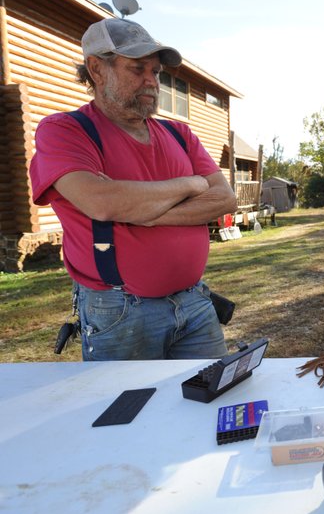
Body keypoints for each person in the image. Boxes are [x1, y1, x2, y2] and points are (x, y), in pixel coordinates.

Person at [30, 18, 237, 361]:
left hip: (194, 302)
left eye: (156, 72)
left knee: (210, 403)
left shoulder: (178, 135)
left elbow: (224, 199)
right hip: (120, 311)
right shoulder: (65, 131)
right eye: (137, 68)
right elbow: (101, 202)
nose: (152, 81)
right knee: (129, 411)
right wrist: (189, 185)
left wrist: (141, 212)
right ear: (96, 69)